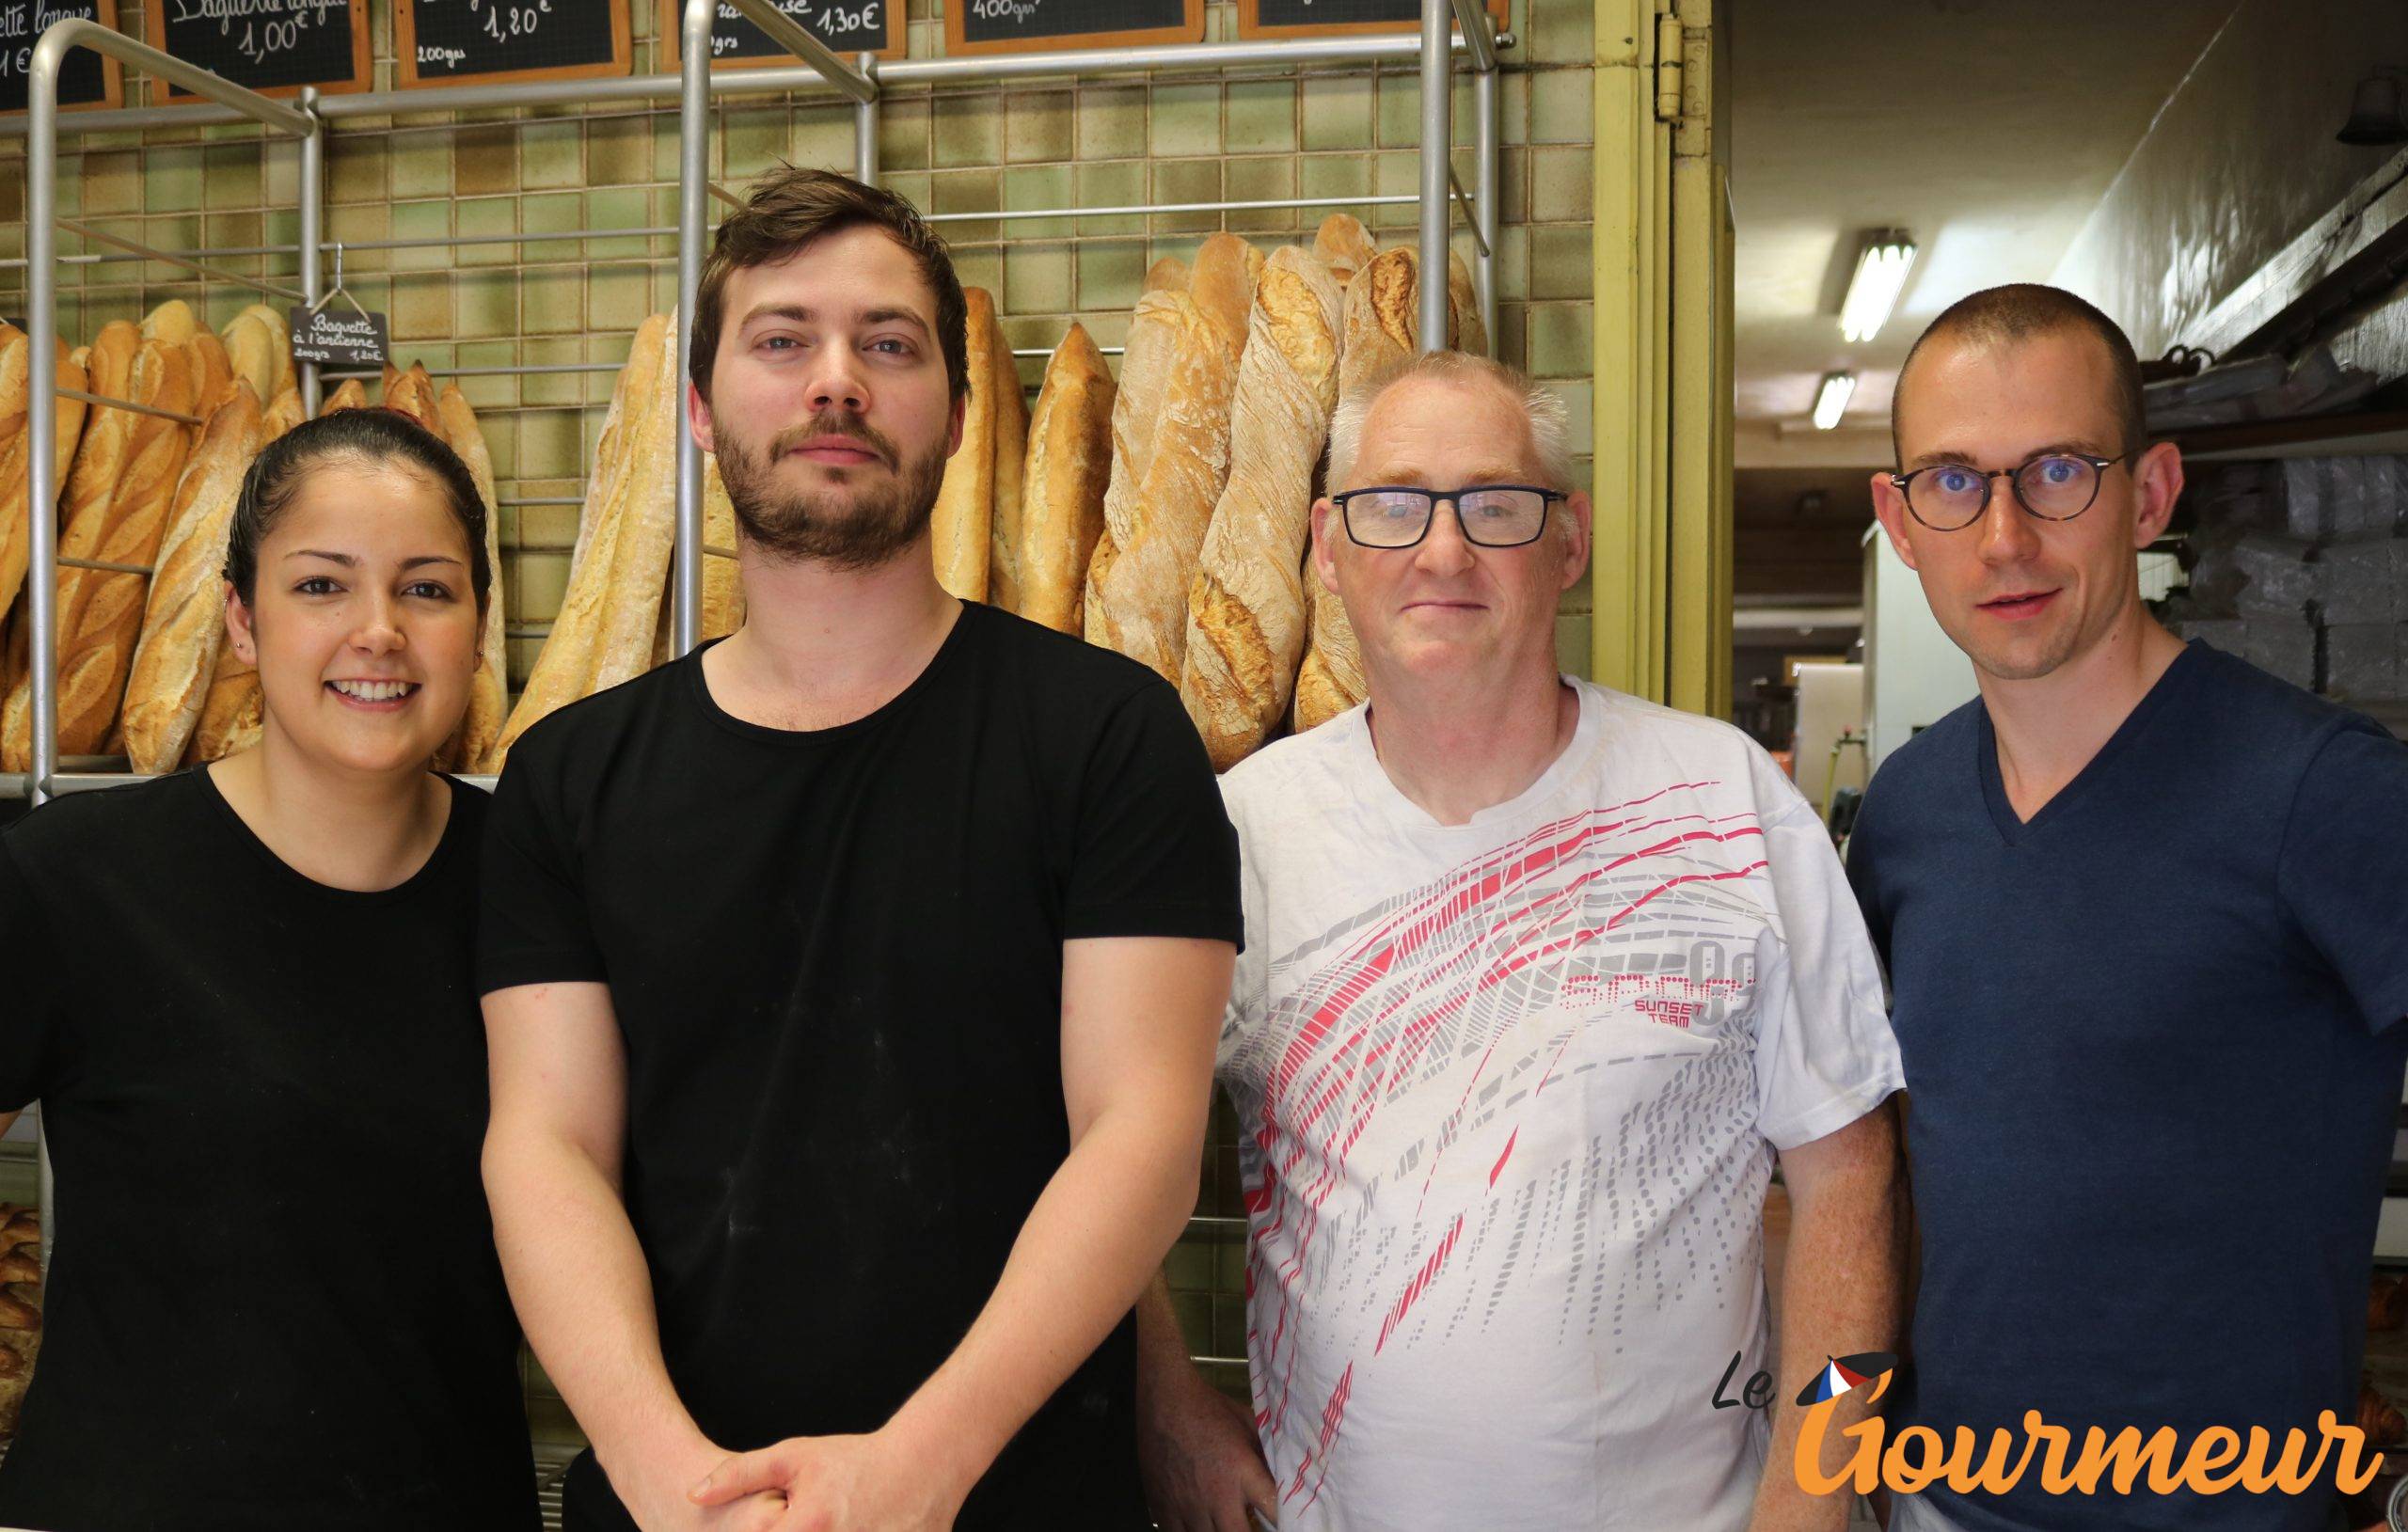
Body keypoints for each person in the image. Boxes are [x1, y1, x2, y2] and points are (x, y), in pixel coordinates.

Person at [478, 166, 1242, 1532]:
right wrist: (665, 1474)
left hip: (1013, 1499)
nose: (837, 382)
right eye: (783, 341)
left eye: (888, 344)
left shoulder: (1111, 738)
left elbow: (1140, 1138)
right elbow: (546, 1147)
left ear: (951, 408)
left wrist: (915, 1469)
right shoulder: (566, 777)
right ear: (702, 410)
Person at [1136, 350, 1907, 1532]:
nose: (1442, 553)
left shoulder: (1723, 803)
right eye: (1391, 506)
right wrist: (1172, 1411)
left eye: (1497, 506)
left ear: (1569, 544)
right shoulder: (1241, 834)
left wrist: (1816, 1492)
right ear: (1325, 548)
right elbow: (1106, 1157)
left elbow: (1851, 1180)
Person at [1850, 283, 2408, 1532]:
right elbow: (1872, 1180)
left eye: (2057, 472)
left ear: (2150, 494)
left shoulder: (2322, 793)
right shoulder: (1908, 812)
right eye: (1952, 480)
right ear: (1899, 519)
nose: (2003, 537)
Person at [0, 407, 536, 1529]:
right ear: (241, 622)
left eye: (428, 589)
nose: (379, 630)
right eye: (321, 586)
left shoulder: (545, 894)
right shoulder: (75, 879)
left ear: (479, 630)